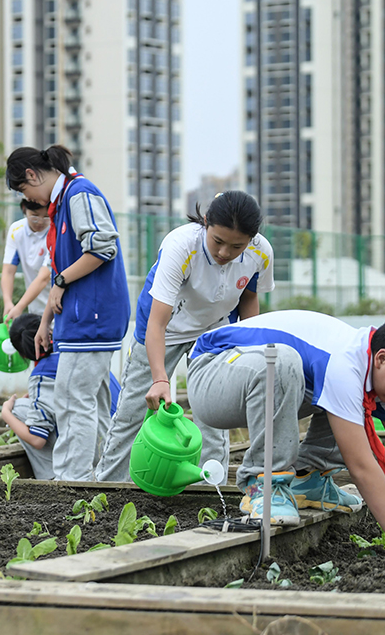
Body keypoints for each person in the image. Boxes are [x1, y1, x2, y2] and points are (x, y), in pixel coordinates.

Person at [186, 308, 385, 562]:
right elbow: (362, 466)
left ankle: (308, 480)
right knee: (285, 362)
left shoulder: (375, 373)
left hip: (263, 376)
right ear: (382, 358)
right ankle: (263, 486)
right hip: (212, 374)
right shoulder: (345, 364)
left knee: (342, 401)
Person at [95, 191, 274, 483]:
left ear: (251, 239)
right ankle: (109, 486)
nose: (224, 253)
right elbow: (156, 324)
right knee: (134, 411)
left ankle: (208, 489)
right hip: (166, 327)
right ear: (205, 222)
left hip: (215, 329)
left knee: (213, 414)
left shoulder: (261, 252)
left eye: (236, 246)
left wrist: (249, 350)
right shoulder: (181, 245)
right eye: (218, 241)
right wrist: (160, 379)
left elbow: (249, 298)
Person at [5, 145, 130, 481]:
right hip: (79, 317)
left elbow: (102, 247)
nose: (29, 199)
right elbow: (60, 272)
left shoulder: (79, 194)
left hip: (91, 316)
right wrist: (45, 322)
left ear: (31, 175)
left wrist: (61, 281)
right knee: (93, 403)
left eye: (24, 190)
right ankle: (104, 479)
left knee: (73, 400)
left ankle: (72, 483)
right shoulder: (62, 204)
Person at [0, 313, 121, 479]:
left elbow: (37, 439)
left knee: (18, 408)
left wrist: (6, 412)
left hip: (96, 452)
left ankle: (54, 476)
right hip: (118, 442)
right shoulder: (74, 351)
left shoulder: (43, 374)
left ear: (23, 355)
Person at [1, 199, 53, 322]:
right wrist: (8, 302)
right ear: (24, 209)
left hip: (56, 308)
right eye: (34, 216)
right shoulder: (16, 230)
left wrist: (19, 307)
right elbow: (8, 271)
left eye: (46, 217)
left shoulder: (54, 233)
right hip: (34, 309)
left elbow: (44, 277)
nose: (40, 221)